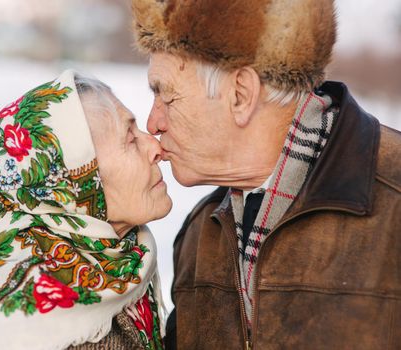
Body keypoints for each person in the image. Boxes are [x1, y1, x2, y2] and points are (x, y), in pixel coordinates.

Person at [131, 0, 401, 349]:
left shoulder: (393, 205)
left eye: (166, 97)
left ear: (241, 95)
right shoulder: (201, 236)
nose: (153, 123)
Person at [0, 70, 172, 350]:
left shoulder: (119, 260)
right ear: (77, 181)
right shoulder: (37, 323)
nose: (155, 147)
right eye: (130, 138)